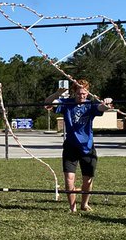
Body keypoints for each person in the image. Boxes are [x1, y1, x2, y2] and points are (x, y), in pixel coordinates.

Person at [46, 79, 113, 213]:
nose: (81, 96)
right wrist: (56, 94)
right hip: (70, 147)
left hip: (87, 147)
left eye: (84, 93)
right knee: (69, 179)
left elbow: (102, 108)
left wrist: (107, 102)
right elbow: (48, 103)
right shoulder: (67, 103)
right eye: (79, 93)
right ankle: (72, 207)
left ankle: (84, 204)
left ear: (87, 93)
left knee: (87, 179)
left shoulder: (90, 104)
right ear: (74, 92)